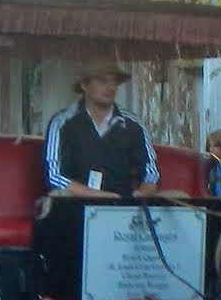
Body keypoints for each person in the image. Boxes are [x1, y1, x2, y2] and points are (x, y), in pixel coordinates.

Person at [43, 58, 160, 199]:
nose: (110, 87)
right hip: (77, 204)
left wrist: (143, 192)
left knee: (180, 197)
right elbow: (54, 176)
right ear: (84, 85)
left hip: (123, 205)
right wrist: (100, 196)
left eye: (114, 82)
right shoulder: (62, 123)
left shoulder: (133, 124)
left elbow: (150, 173)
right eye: (102, 81)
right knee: (58, 196)